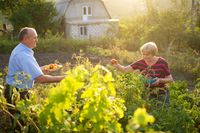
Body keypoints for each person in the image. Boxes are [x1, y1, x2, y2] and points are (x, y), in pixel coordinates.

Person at [4, 27, 65, 131]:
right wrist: (64, 78)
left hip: (15, 91)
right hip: (17, 93)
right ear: (26, 39)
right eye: (35, 38)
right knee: (21, 127)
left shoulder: (22, 49)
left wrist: (45, 68)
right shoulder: (23, 55)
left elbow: (28, 71)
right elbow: (41, 79)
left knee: (23, 125)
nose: (37, 40)